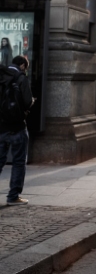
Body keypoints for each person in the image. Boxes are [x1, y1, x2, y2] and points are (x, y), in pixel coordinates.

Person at [0, 55, 34, 206]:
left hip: (1, 127)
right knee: (19, 162)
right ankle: (13, 196)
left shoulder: (2, 75)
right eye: (25, 67)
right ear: (22, 65)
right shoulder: (21, 78)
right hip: (18, 127)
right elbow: (27, 102)